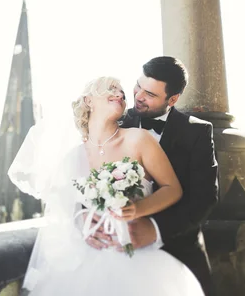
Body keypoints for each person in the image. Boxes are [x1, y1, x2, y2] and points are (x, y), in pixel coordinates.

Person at [8, 76, 204, 295]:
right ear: (88, 100)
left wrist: (139, 209)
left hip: (136, 255)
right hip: (85, 261)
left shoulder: (139, 139)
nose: (120, 94)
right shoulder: (72, 157)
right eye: (112, 89)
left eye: (122, 92)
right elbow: (62, 212)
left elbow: (172, 189)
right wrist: (81, 220)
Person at [86, 57, 219, 296]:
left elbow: (204, 198)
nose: (137, 96)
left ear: (173, 99)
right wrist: (86, 217)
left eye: (150, 94)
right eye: (138, 86)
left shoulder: (198, 131)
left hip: (178, 249)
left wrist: (155, 229)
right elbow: (88, 171)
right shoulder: (115, 120)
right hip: (116, 252)